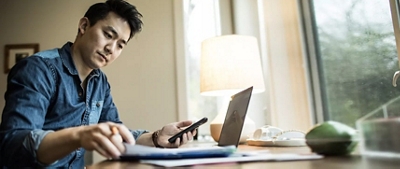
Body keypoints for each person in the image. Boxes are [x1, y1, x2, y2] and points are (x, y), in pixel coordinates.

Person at [0, 0, 195, 167]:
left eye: (120, 45)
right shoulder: (38, 69)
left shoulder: (99, 82)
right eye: (108, 35)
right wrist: (78, 136)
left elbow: (117, 132)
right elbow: (13, 145)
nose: (111, 49)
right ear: (84, 26)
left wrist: (157, 137)